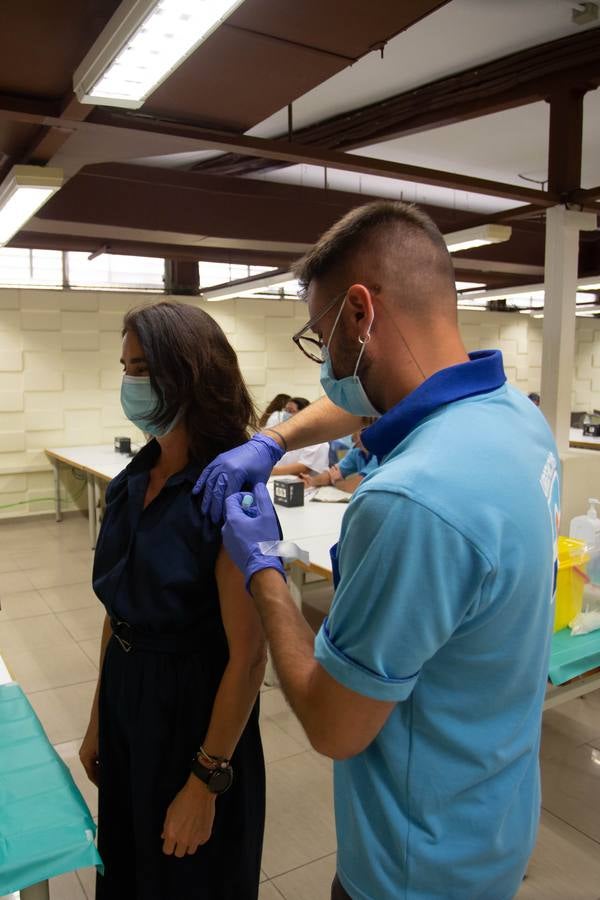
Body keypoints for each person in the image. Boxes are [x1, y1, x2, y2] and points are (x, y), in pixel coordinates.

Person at [195, 200, 560, 900]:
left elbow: (335, 725)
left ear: (359, 314)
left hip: (409, 868)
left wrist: (264, 567)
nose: (325, 361)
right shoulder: (516, 421)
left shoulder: (409, 502)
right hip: (491, 825)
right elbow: (371, 405)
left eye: (320, 336)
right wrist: (271, 441)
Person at [80, 301, 266, 900]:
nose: (129, 383)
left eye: (142, 368)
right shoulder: (131, 482)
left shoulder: (226, 494)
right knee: (129, 868)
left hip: (195, 714)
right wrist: (97, 722)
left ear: (188, 373)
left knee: (186, 876)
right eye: (125, 367)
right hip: (128, 699)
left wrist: (205, 781)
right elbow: (118, 615)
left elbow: (249, 658)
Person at [301, 419, 377, 493]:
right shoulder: (356, 451)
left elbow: (356, 485)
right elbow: (332, 474)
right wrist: (312, 481)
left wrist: (337, 482)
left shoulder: (379, 454)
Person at [270, 396, 330, 477]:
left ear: (303, 414)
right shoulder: (286, 435)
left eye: (291, 411)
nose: (286, 414)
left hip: (308, 485)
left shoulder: (317, 439)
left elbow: (304, 467)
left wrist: (272, 471)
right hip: (282, 480)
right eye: (286, 410)